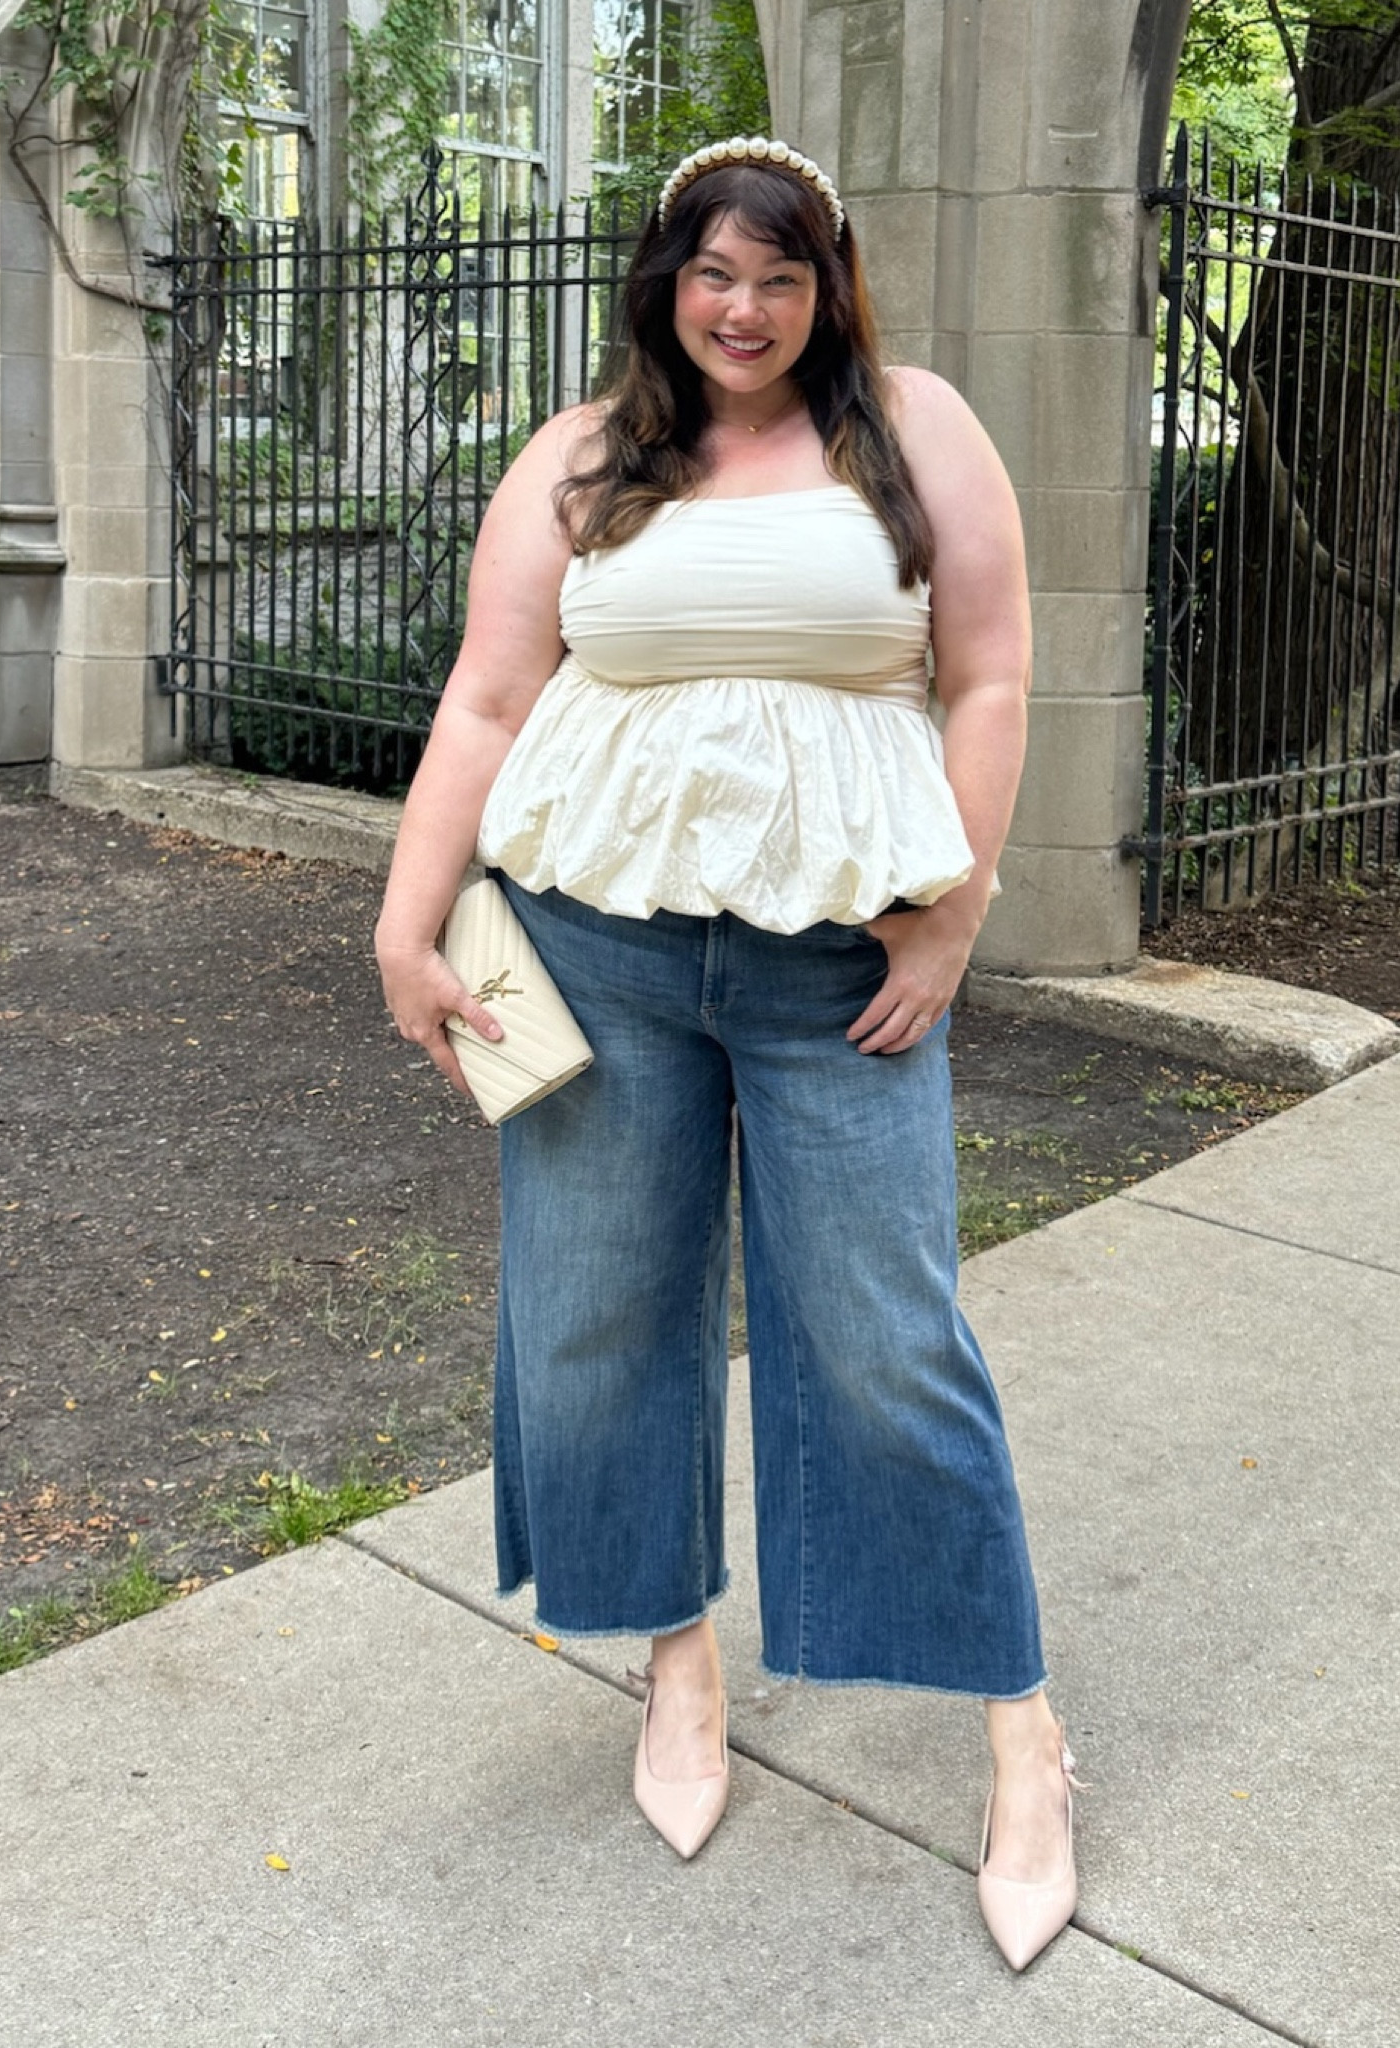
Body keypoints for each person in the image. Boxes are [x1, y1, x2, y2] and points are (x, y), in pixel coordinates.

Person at [375, 135, 1081, 1970]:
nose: (743, 309)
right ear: (666, 282)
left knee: (886, 1336)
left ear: (828, 284)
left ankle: (1022, 1733)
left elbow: (992, 674)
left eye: (779, 276)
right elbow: (489, 696)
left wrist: (955, 913)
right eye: (712, 274)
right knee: (595, 1314)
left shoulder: (915, 432)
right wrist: (405, 918)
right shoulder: (584, 454)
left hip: (843, 965)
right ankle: (676, 1664)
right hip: (593, 949)